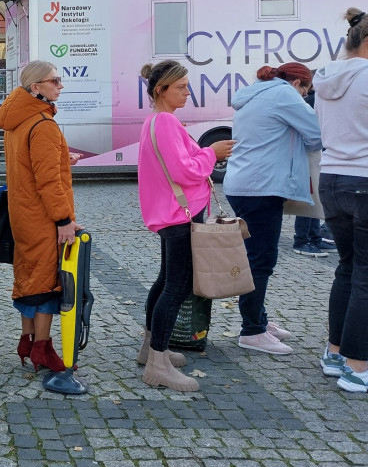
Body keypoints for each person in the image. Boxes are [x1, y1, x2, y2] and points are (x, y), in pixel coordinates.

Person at [136, 60, 234, 392]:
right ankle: (157, 362)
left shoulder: (158, 121)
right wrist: (212, 152)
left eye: (187, 86)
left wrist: (206, 154)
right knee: (176, 286)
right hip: (180, 215)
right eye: (181, 87)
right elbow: (183, 170)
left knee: (166, 281)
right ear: (161, 90)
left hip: (173, 213)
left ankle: (151, 347)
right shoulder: (165, 122)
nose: (187, 92)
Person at [223, 63, 322, 356]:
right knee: (261, 259)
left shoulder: (255, 93)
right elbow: (317, 135)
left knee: (255, 256)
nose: (306, 97)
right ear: (297, 83)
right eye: (307, 91)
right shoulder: (285, 95)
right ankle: (252, 330)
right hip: (262, 186)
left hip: (243, 183)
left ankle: (259, 320)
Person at [0, 61, 82, 373]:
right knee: (45, 282)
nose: (60, 86)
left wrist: (61, 158)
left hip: (22, 212)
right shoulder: (43, 124)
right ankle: (42, 348)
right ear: (35, 88)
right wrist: (64, 220)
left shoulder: (18, 120)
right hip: (42, 217)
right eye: (55, 81)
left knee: (26, 277)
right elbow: (48, 181)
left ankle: (28, 339)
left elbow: (30, 166)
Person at [316, 7, 368, 392]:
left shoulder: (326, 77)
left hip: (331, 178)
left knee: (347, 268)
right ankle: (358, 366)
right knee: (364, 274)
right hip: (364, 179)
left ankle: (335, 352)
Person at [292, 84, 336, 257]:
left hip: (314, 155)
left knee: (314, 198)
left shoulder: (313, 98)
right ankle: (302, 240)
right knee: (309, 199)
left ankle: (314, 237)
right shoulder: (313, 100)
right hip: (310, 156)